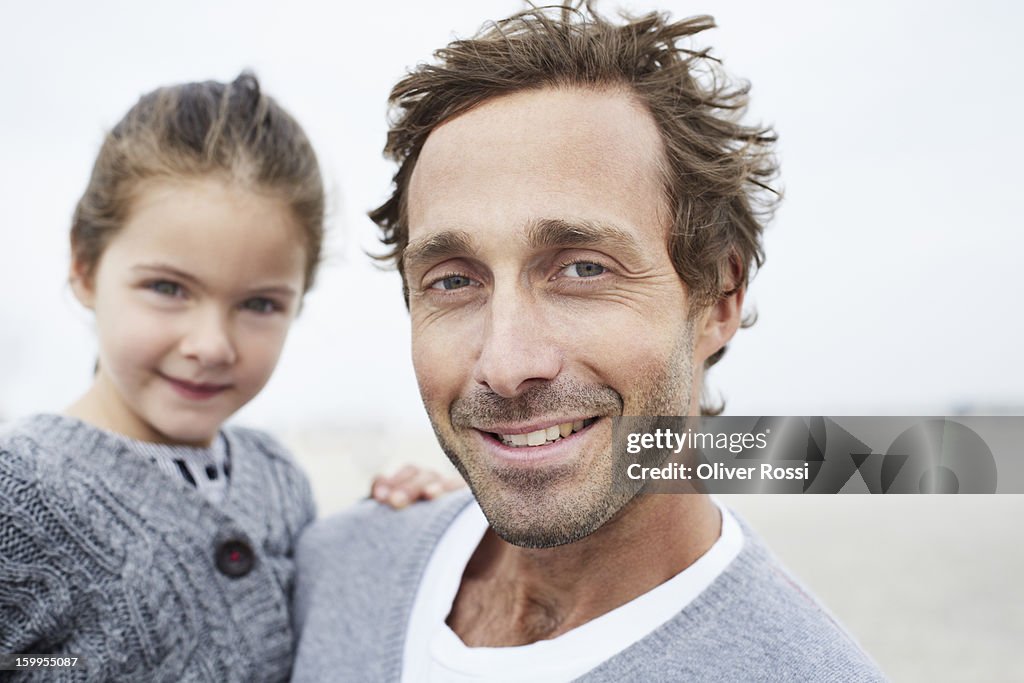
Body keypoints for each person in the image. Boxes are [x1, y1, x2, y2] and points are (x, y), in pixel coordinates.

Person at [292, 3, 886, 682]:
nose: (508, 365)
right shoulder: (334, 567)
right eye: (454, 280)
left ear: (720, 298)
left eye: (581, 268)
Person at [0, 73, 452, 682]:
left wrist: (384, 524)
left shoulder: (278, 480)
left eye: (259, 305)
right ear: (84, 267)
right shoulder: (16, 490)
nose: (211, 346)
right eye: (167, 288)